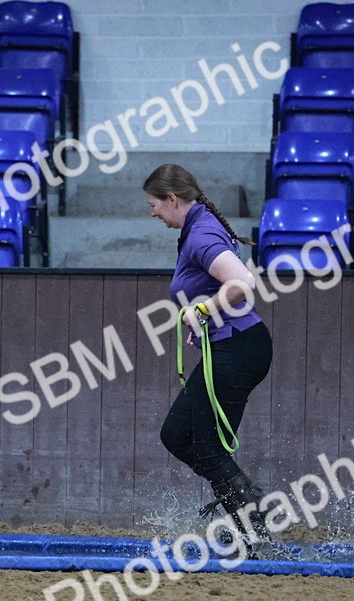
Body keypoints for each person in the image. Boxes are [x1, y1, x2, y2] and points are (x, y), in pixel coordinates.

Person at [143, 163, 274, 550]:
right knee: (175, 435)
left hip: (239, 347)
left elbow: (243, 281)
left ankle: (255, 531)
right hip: (230, 345)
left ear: (172, 199)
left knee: (209, 449)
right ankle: (242, 498)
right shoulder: (197, 228)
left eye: (154, 205)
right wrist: (205, 320)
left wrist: (203, 310)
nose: (153, 213)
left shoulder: (200, 234)